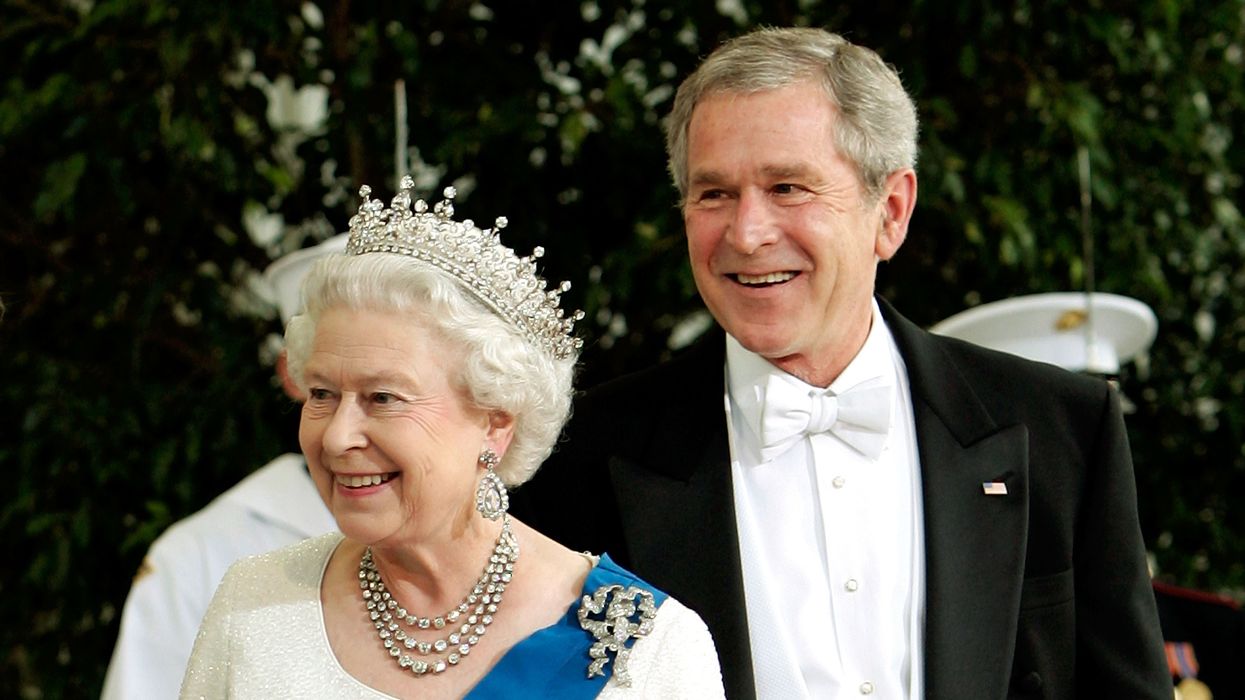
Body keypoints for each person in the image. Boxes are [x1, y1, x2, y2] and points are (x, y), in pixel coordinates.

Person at [510, 27, 1171, 699]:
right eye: (713, 194)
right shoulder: (580, 455)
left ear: (889, 212)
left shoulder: (1059, 429)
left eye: (788, 187)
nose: (746, 233)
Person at [179, 178, 725, 699]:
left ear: (496, 421)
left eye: (384, 398)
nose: (338, 436)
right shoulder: (253, 606)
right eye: (322, 393)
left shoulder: (645, 648)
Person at [102, 238, 344, 700]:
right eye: (326, 387)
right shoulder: (197, 559)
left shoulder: (511, 566)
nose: (350, 429)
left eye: (390, 392)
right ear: (291, 375)